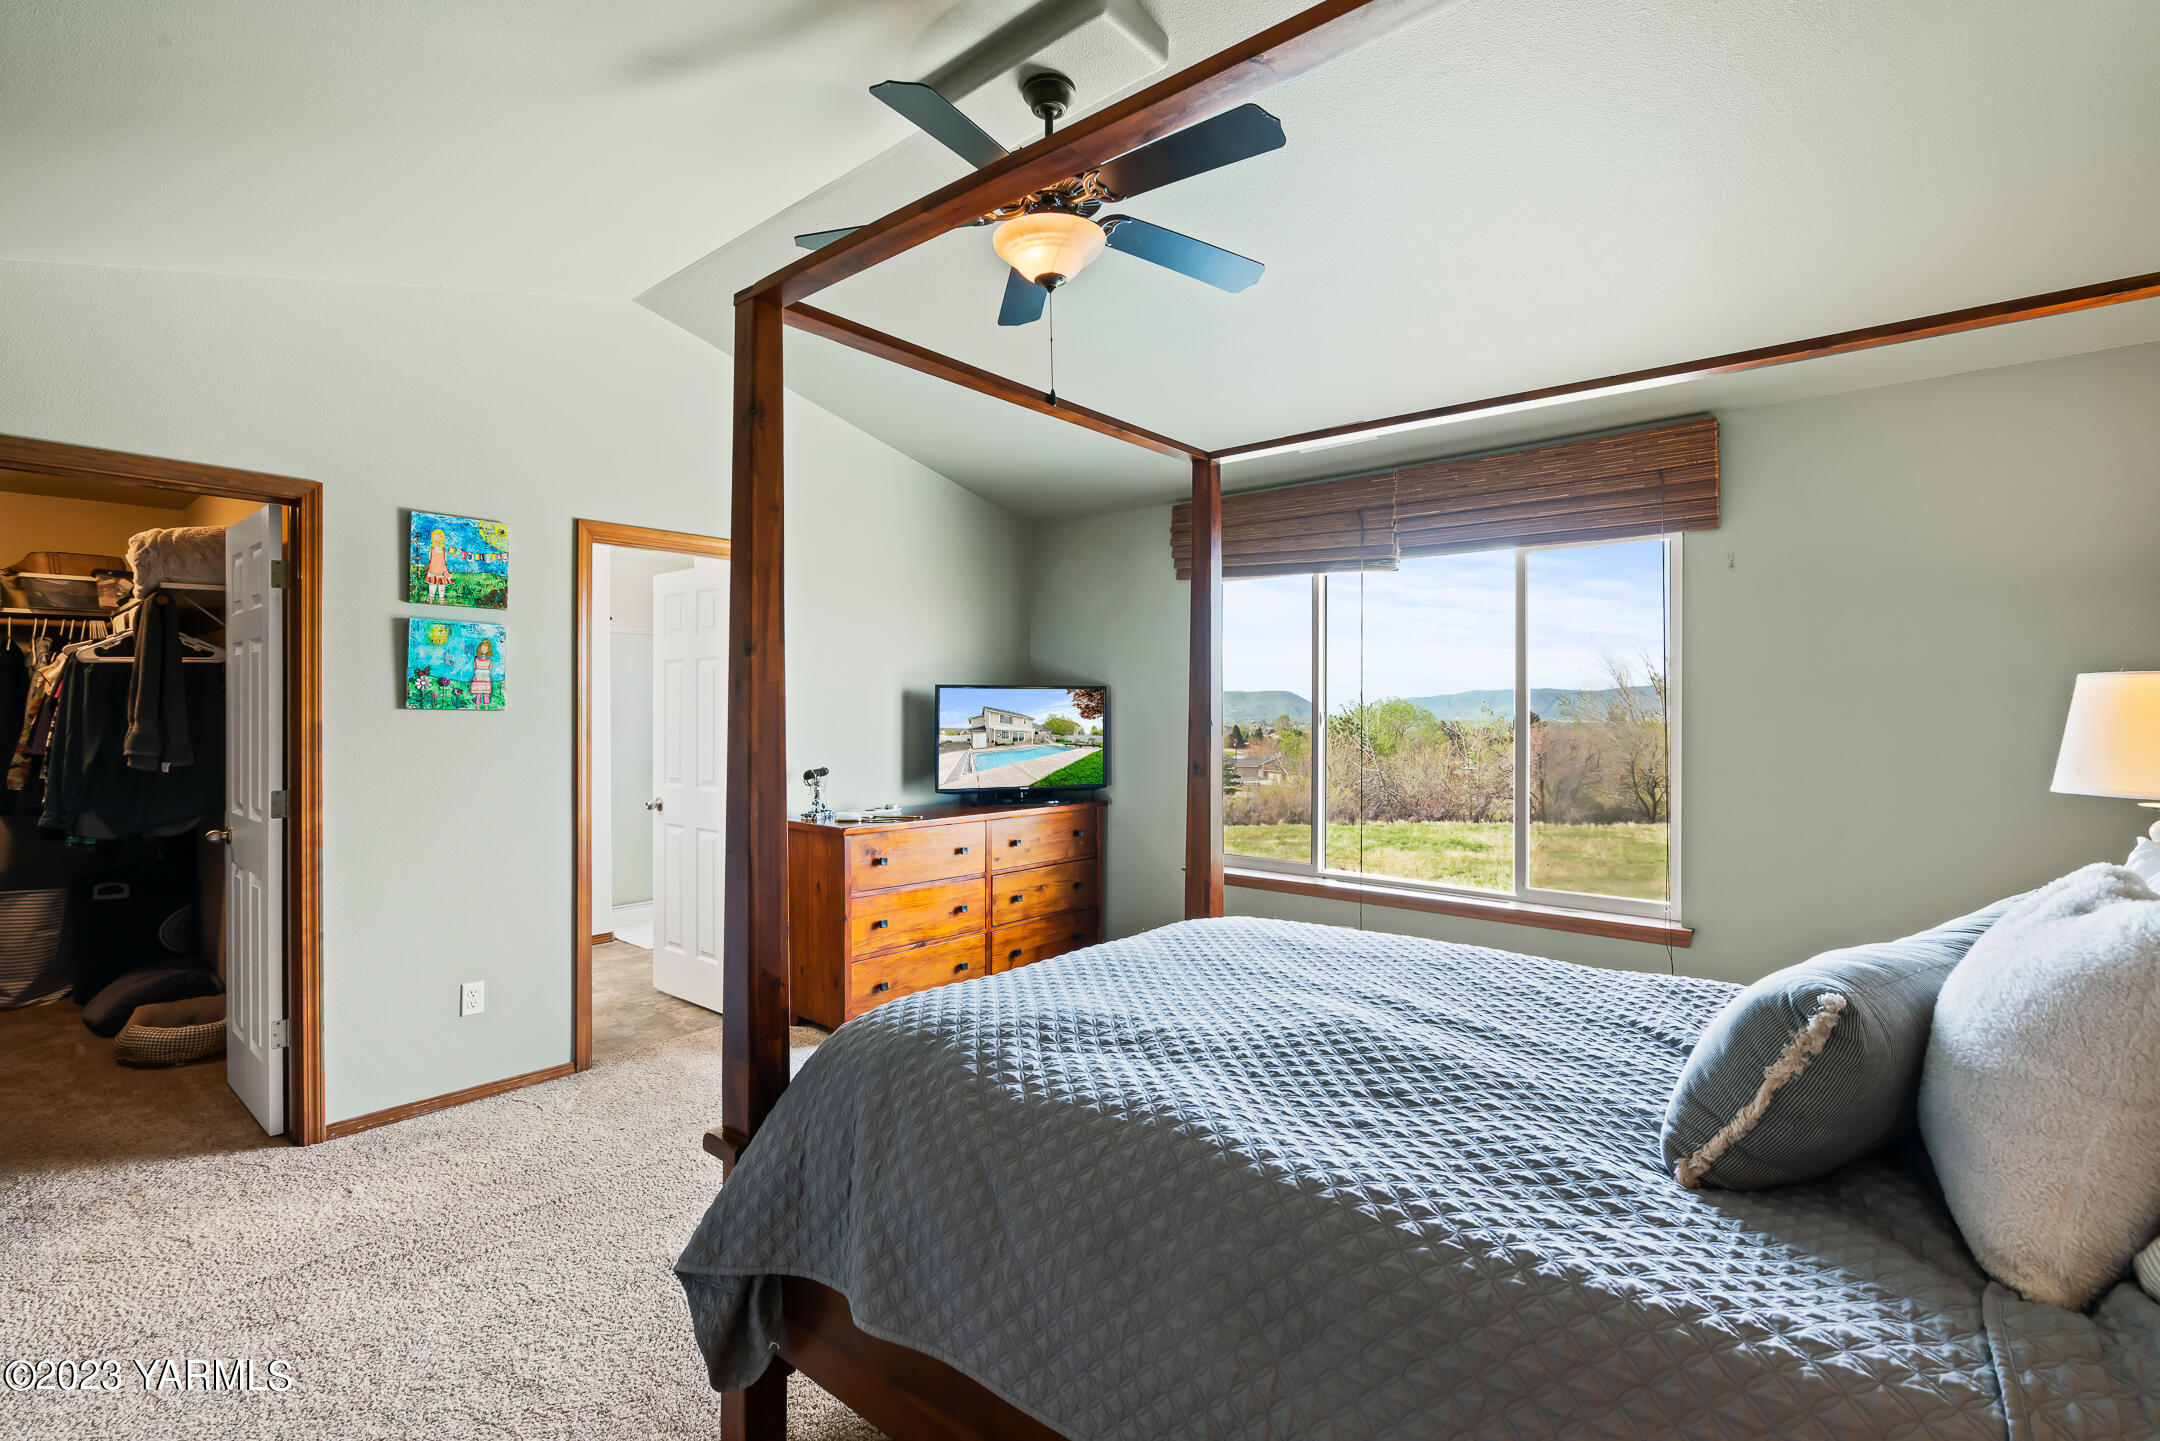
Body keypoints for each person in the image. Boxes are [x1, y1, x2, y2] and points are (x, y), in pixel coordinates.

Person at [423, 527, 452, 603]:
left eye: (439, 536)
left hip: (442, 571)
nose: (437, 538)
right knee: (432, 587)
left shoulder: (443, 549)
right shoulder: (431, 548)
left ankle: (441, 602)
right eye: (435, 536)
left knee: (442, 587)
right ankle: (431, 601)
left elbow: (445, 559)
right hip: (433, 570)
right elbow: (430, 558)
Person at [470, 638, 496, 709]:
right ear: (479, 649)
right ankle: (477, 707)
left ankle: (486, 707)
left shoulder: (489, 661)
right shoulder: (476, 660)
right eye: (482, 648)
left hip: (486, 679)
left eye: (485, 648)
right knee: (478, 693)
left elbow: (489, 669)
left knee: (486, 693)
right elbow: (475, 668)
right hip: (478, 679)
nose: (484, 650)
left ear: (488, 650)